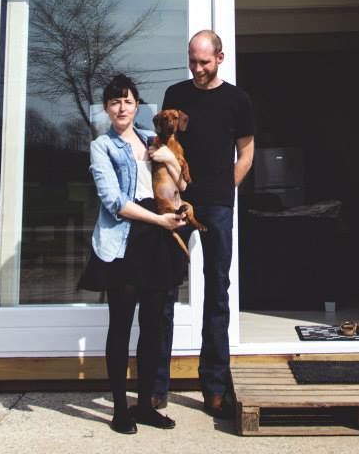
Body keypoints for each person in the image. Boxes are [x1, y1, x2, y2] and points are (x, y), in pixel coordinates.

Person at [153, 30, 255, 418]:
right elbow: (165, 147)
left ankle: (214, 386)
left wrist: (225, 189)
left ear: (220, 58)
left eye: (204, 62)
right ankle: (156, 387)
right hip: (176, 201)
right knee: (163, 289)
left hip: (217, 206)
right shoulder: (175, 95)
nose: (197, 69)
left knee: (217, 293)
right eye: (192, 61)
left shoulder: (237, 100)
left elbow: (246, 152)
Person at [82, 74, 188, 434]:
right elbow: (113, 202)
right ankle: (119, 410)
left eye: (127, 101)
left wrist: (168, 161)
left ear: (138, 105)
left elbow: (184, 184)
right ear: (107, 108)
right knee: (122, 326)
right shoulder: (102, 147)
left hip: (159, 238)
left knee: (155, 327)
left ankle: (144, 405)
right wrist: (160, 219)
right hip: (126, 239)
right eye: (114, 102)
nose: (122, 107)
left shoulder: (154, 140)